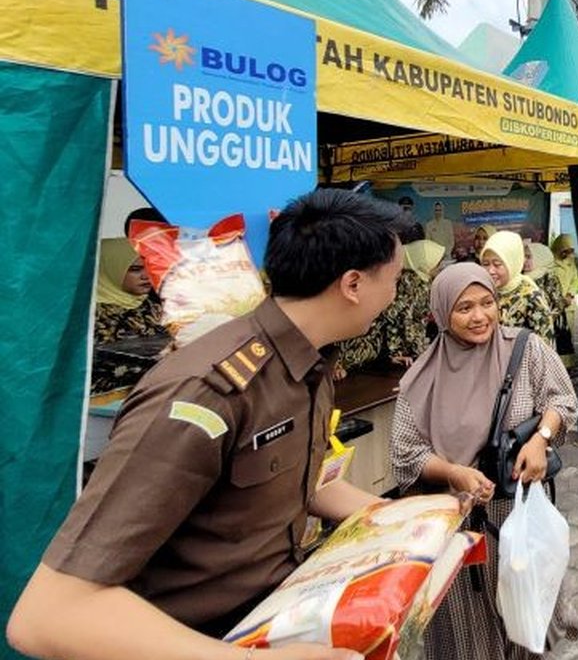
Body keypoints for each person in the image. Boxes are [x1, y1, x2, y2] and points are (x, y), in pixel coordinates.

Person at [8, 189, 409, 660]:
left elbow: (298, 478)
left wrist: (404, 521)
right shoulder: (205, 392)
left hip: (271, 619)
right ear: (353, 284)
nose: (396, 295)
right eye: (396, 280)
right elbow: (48, 616)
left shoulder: (308, 366)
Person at [390, 263, 578, 659]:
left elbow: (562, 399)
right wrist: (453, 472)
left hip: (518, 517)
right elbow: (406, 452)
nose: (480, 317)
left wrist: (541, 440)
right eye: (464, 308)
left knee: (524, 619)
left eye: (487, 303)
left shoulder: (524, 349)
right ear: (442, 312)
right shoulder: (423, 376)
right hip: (457, 529)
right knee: (466, 635)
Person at [335, 224, 445, 378]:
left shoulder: (414, 280)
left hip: (372, 346)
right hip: (366, 343)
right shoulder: (415, 283)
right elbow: (404, 319)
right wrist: (419, 354)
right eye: (438, 263)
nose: (440, 267)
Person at [91, 238, 168, 394]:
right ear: (111, 269)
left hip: (151, 397)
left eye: (149, 267)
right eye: (135, 269)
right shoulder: (89, 315)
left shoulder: (156, 305)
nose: (146, 275)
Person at [480, 230, 555, 343]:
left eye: (497, 264)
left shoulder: (531, 297)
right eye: (485, 264)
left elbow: (544, 346)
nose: (490, 271)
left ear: (512, 263)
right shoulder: (482, 290)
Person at [526, 240, 575, 361]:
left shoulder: (548, 276)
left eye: (528, 257)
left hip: (548, 328)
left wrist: (546, 319)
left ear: (540, 257)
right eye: (524, 257)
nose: (524, 261)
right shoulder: (521, 278)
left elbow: (558, 303)